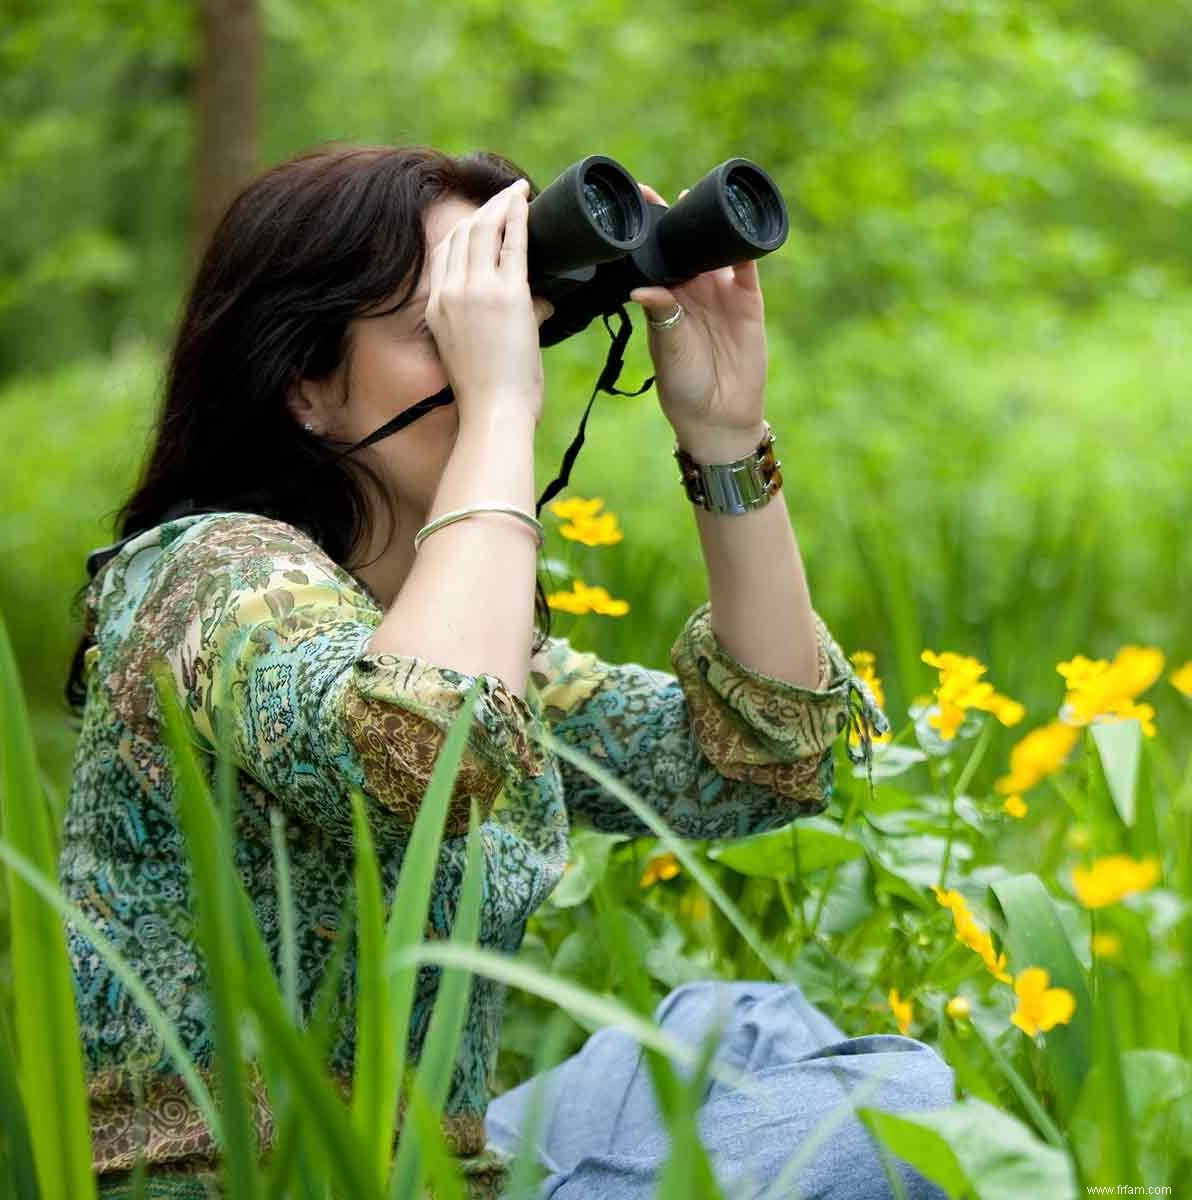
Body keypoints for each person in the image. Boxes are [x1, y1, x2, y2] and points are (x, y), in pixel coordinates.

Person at [60, 144, 953, 1199]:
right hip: (275, 1182)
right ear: (306, 385)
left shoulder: (444, 629)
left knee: (743, 1025)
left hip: (442, 1167)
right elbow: (421, 749)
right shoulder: (207, 578)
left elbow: (761, 765)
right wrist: (496, 413)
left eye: (513, 318)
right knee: (890, 1109)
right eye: (444, 328)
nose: (509, 356)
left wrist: (725, 435)